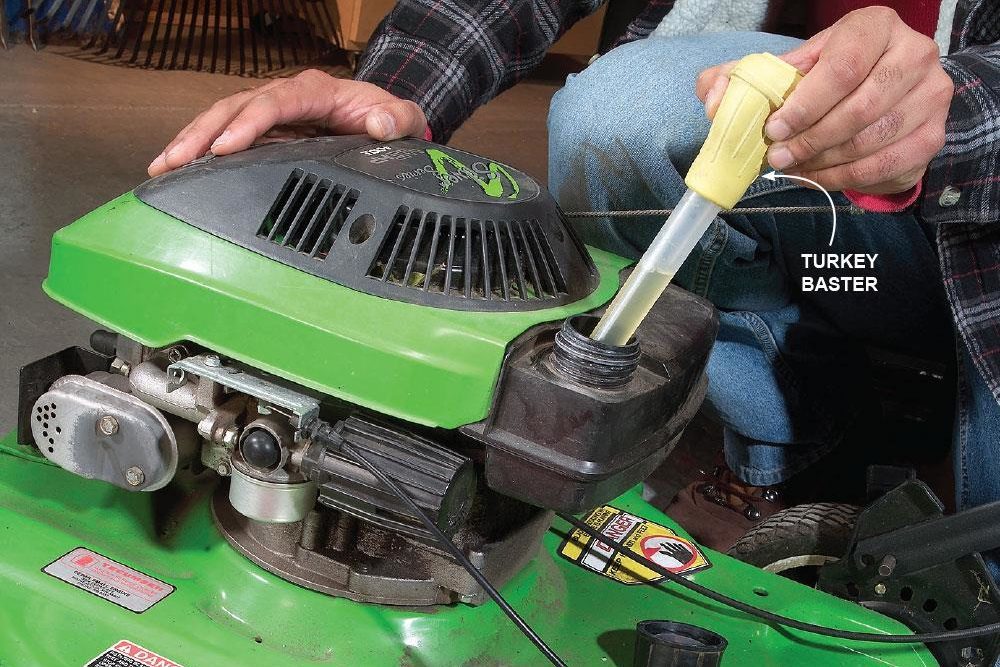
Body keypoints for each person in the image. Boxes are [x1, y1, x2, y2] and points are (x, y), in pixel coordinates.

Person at [150, 2, 1000, 570]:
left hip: (977, 217)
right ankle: (784, 444)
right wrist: (388, 94)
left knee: (971, 590)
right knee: (622, 115)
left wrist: (945, 115)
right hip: (812, 187)